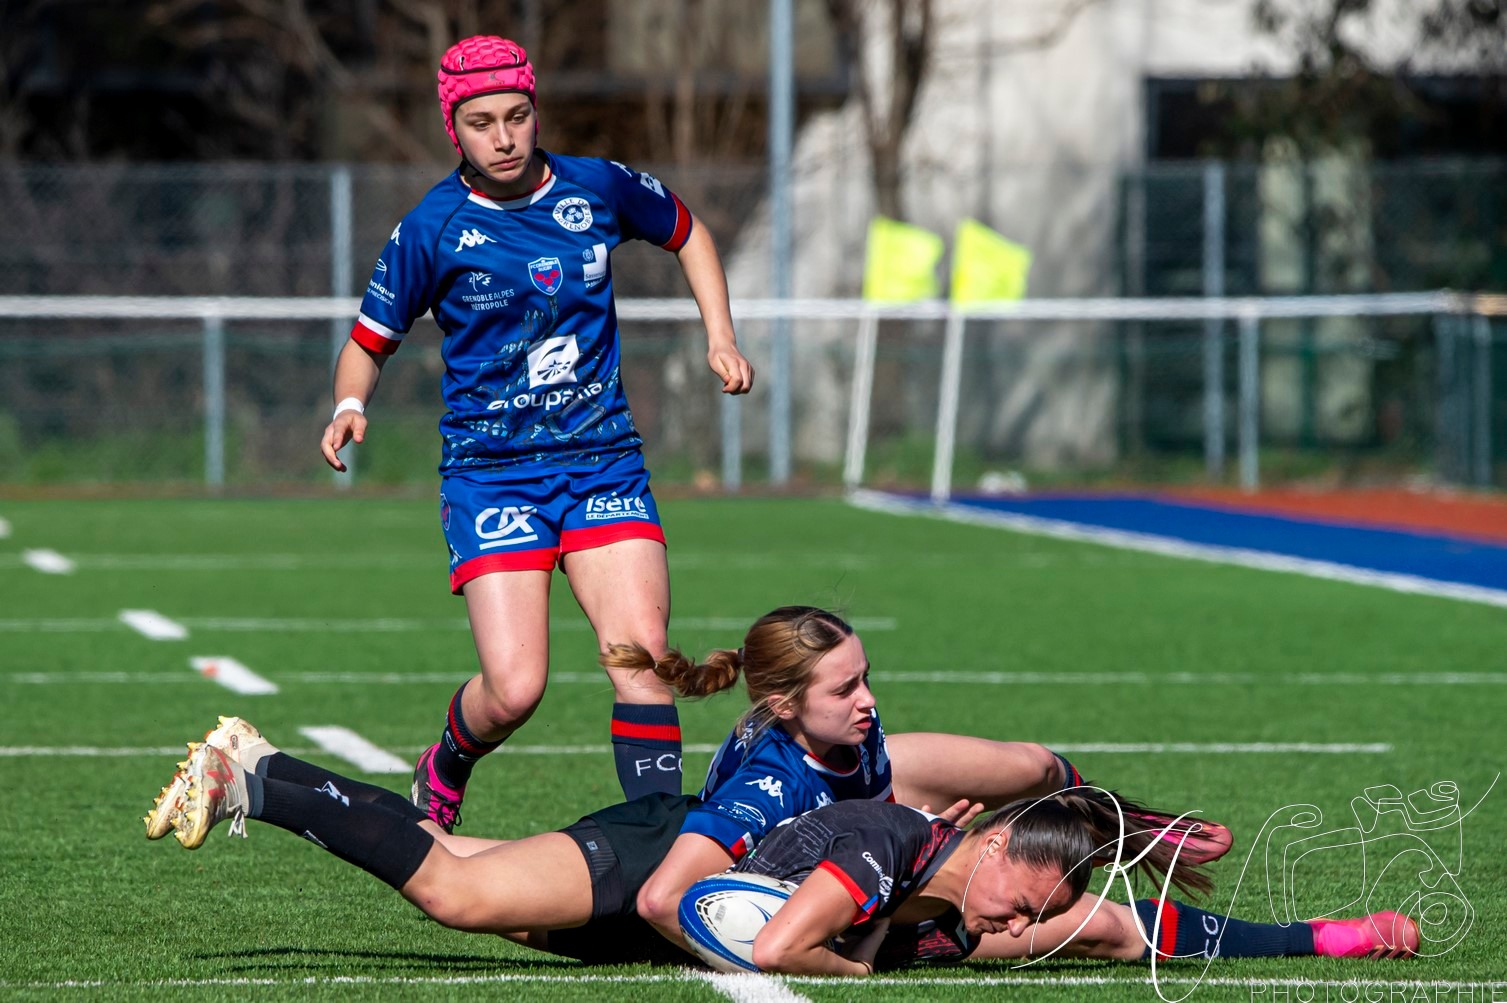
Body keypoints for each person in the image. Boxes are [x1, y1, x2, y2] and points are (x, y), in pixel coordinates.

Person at [317, 35, 754, 831]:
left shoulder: (596, 185)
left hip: (601, 463)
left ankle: (659, 838)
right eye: (481, 122)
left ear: (535, 111)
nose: (504, 136)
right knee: (515, 688)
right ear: (456, 129)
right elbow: (368, 340)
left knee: (644, 661)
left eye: (517, 115)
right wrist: (351, 404)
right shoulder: (433, 226)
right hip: (492, 474)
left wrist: (718, 334)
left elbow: (687, 233)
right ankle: (446, 758)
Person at [142, 725, 1418, 972]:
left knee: (484, 890)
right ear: (989, 847)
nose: (1048, 915)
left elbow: (1136, 923)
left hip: (670, 888)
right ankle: (259, 777)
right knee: (464, 894)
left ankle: (267, 765)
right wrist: (858, 969)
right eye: (1043, 889)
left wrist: (1327, 937)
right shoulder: (886, 835)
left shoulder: (995, 895)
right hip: (653, 862)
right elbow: (798, 943)